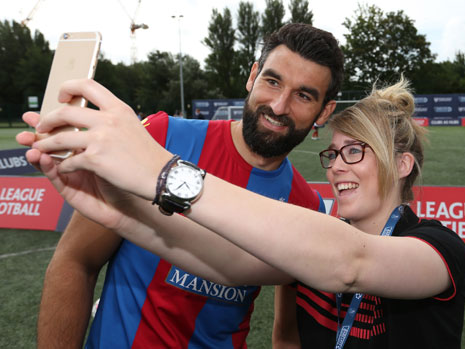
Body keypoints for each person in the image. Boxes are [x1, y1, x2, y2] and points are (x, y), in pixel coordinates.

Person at [20, 77, 465, 348]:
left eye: (354, 152)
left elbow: (352, 263)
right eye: (331, 155)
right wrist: (117, 211)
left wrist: (161, 171)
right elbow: (229, 263)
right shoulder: (314, 240)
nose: (336, 168)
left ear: (403, 165)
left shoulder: (439, 249)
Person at [18, 23, 344, 348]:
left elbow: (287, 336)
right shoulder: (159, 138)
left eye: (303, 95)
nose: (278, 106)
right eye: (272, 81)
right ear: (253, 75)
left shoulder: (307, 209)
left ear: (324, 111)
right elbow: (76, 262)